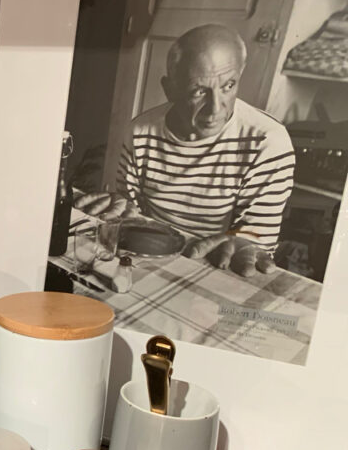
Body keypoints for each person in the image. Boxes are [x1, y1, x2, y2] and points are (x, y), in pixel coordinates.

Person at [117, 24, 295, 276]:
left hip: (220, 265)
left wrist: (244, 243)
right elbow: (129, 213)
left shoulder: (267, 141)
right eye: (199, 91)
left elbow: (255, 240)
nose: (215, 108)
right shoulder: (139, 132)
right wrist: (120, 211)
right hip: (153, 253)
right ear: (170, 90)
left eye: (228, 86)